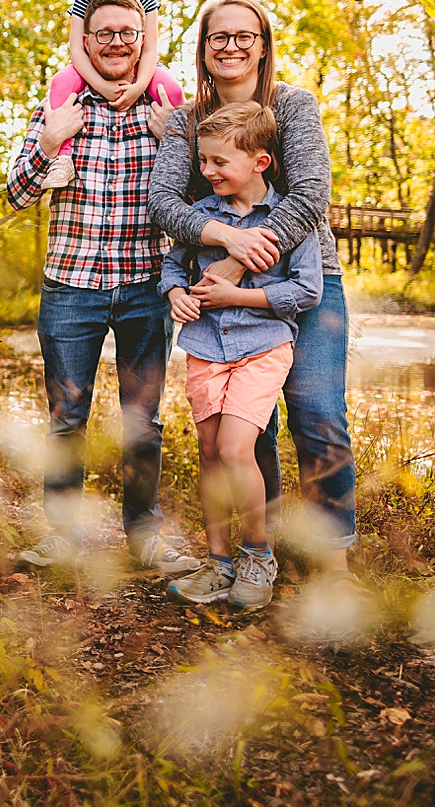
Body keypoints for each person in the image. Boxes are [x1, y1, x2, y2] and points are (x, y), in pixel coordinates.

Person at [148, 0, 358, 579]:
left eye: (245, 35)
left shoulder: (292, 105)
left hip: (304, 278)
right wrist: (223, 237)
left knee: (317, 414)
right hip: (218, 300)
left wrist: (242, 260)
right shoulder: (189, 122)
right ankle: (253, 552)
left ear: (263, 44)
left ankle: (334, 560)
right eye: (219, 36)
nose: (232, 46)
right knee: (245, 430)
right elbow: (162, 203)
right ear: (204, 48)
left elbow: (312, 194)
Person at [7, 0, 198, 577]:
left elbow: (203, 200)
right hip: (71, 288)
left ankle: (143, 535)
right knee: (67, 417)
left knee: (143, 420)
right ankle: (61, 537)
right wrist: (46, 144)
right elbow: (16, 195)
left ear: (143, 40)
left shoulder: (168, 109)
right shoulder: (60, 106)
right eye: (105, 32)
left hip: (146, 285)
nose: (117, 41)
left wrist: (178, 143)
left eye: (128, 33)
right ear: (85, 42)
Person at [158, 102, 322, 610]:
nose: (206, 172)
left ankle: (257, 555)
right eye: (203, 162)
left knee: (234, 450)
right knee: (209, 453)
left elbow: (307, 291)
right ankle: (218, 561)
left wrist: (238, 296)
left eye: (218, 163)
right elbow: (172, 266)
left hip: (263, 347)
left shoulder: (289, 221)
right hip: (205, 346)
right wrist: (176, 295)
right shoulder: (202, 217)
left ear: (259, 162)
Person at [41, 0, 186, 193]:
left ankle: (178, 159)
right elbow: (77, 49)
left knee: (173, 91)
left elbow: (150, 49)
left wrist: (139, 87)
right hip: (87, 67)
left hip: (143, 67)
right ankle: (63, 157)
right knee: (60, 84)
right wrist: (101, 86)